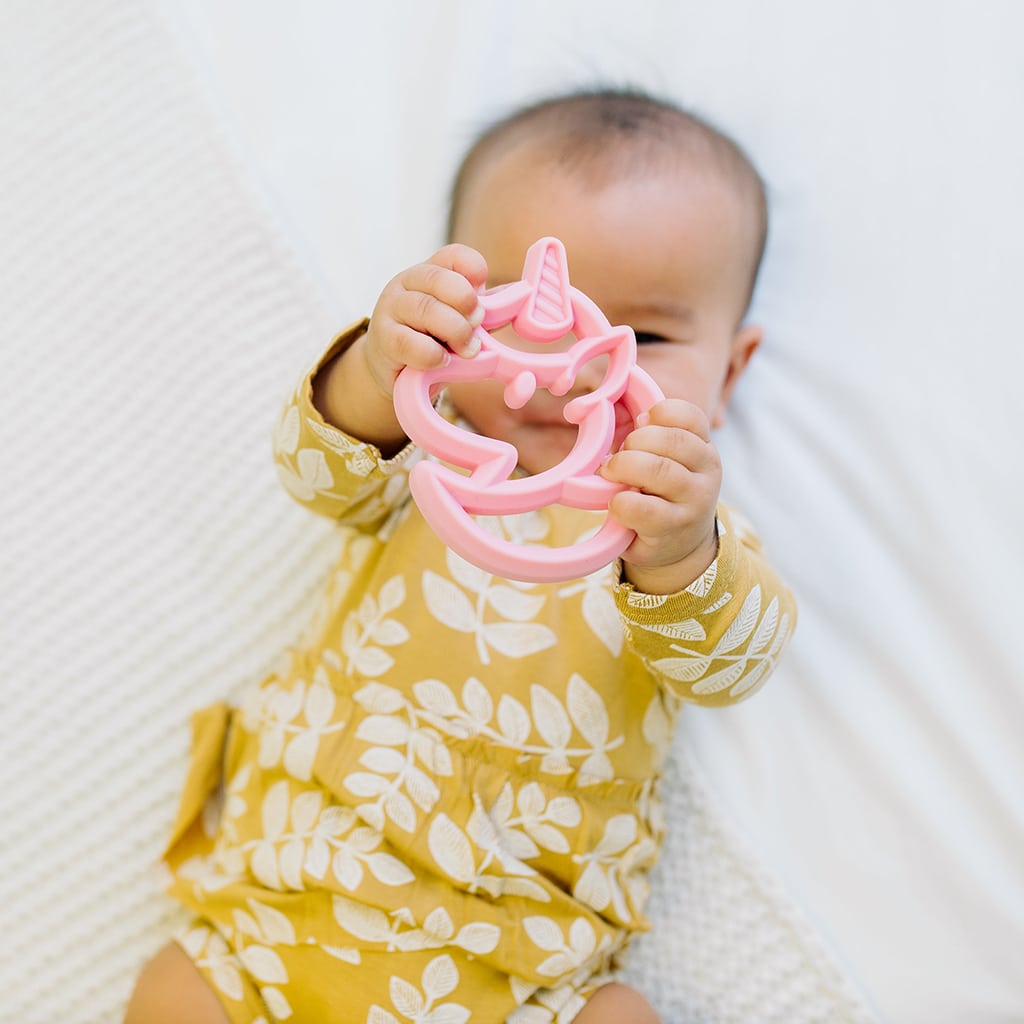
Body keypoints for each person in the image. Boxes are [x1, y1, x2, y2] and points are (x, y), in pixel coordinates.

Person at [126, 87, 796, 1024]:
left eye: (643, 337)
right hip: (285, 909)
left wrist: (682, 550)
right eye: (526, 316)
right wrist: (373, 369)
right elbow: (314, 473)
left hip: (518, 970)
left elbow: (731, 662)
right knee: (170, 991)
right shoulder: (428, 453)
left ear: (727, 373)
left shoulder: (679, 529)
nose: (572, 374)